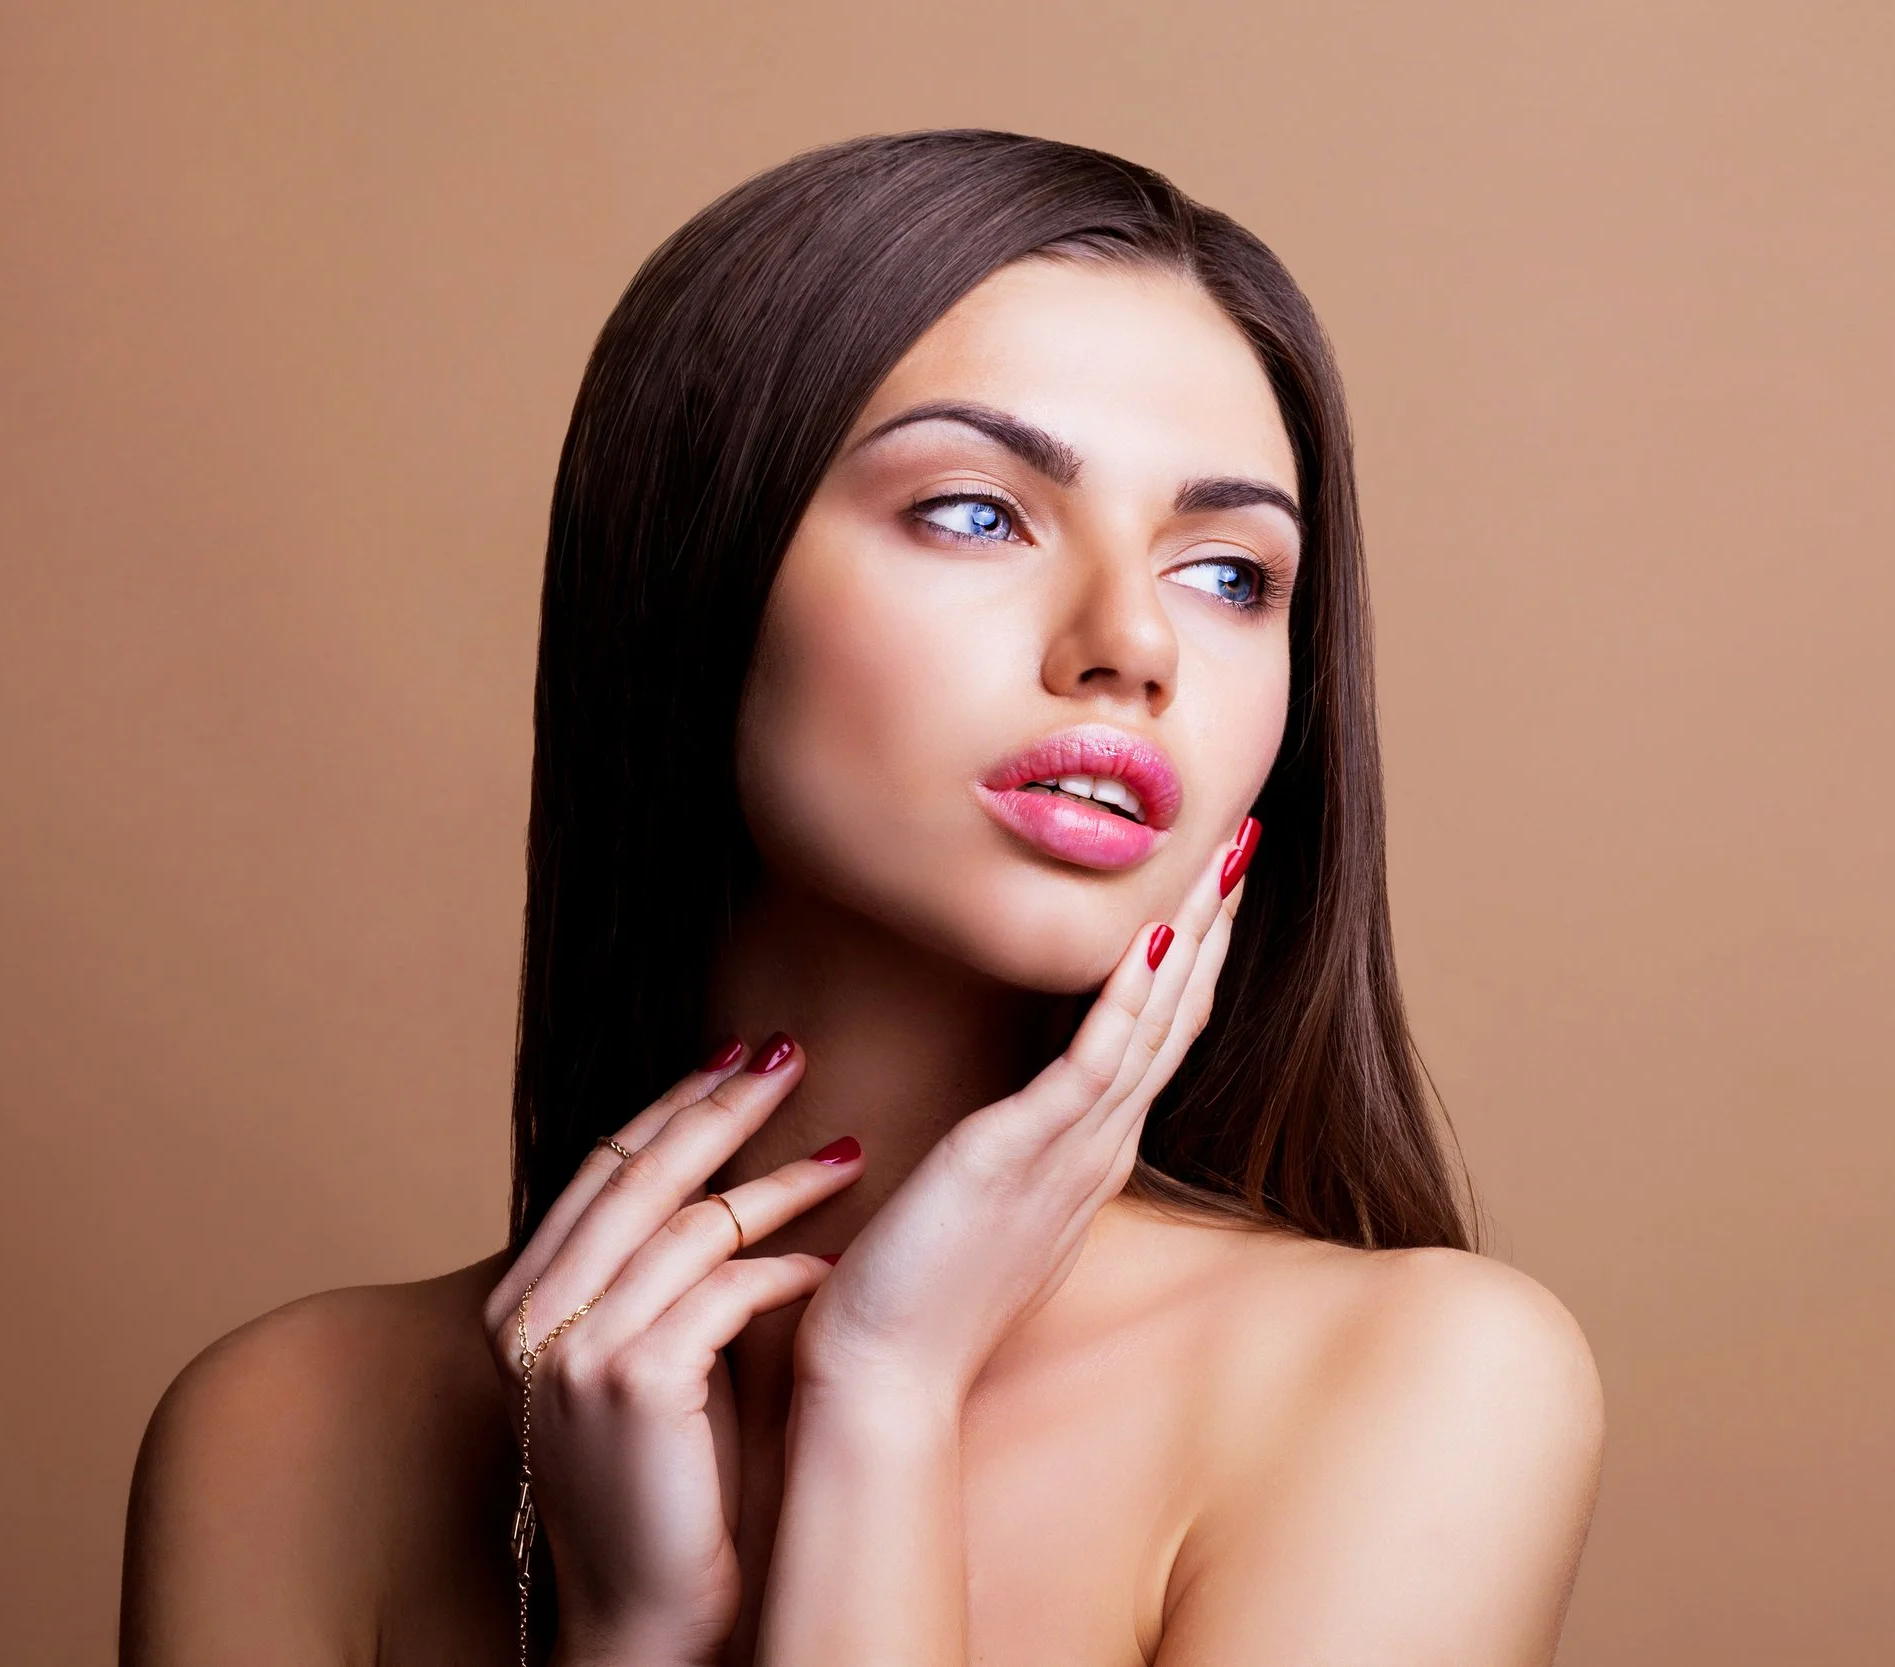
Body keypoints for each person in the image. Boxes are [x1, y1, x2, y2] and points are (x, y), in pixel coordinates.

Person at [119, 129, 1603, 1667]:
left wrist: (881, 1400)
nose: (1134, 642)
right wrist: (632, 1632)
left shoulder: (1415, 1383)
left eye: (1228, 572)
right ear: (699, 567)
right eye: (977, 511)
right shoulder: (291, 1433)